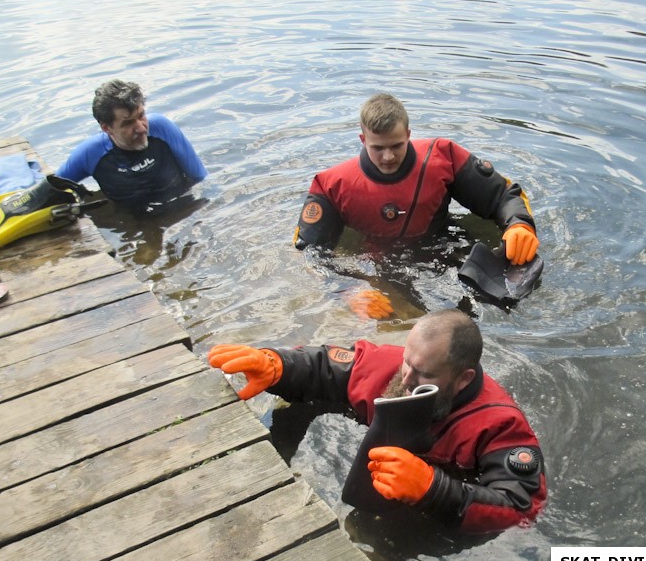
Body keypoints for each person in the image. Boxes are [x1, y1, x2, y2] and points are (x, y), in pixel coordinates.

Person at [207, 309, 547, 534]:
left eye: (424, 373)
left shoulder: (499, 424)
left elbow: (521, 506)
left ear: (463, 378)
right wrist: (279, 365)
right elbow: (327, 367)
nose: (407, 377)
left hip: (434, 514)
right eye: (407, 362)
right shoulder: (393, 366)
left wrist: (434, 489)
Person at [293, 93, 540, 266]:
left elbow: (502, 195)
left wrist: (519, 224)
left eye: (396, 145)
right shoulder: (331, 186)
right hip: (375, 262)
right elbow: (310, 253)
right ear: (362, 139)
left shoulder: (444, 157)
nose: (388, 156)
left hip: (442, 244)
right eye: (377, 148)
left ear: (409, 135)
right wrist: (346, 290)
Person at [56, 80, 208, 210]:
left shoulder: (162, 128)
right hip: (136, 223)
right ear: (107, 128)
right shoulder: (90, 154)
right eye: (128, 123)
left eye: (141, 116)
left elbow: (200, 178)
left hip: (183, 210)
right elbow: (53, 187)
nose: (142, 128)